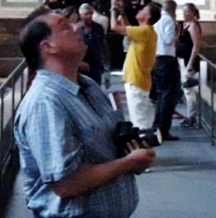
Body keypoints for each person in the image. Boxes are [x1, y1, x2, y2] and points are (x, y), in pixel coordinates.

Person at [15, 12, 154, 218]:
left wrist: (131, 151)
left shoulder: (87, 85)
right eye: (65, 27)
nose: (77, 28)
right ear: (48, 47)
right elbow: (66, 185)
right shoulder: (46, 102)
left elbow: (103, 146)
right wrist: (128, 163)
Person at [110, 0, 160, 130]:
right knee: (139, 118)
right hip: (139, 81)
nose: (139, 11)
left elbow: (114, 27)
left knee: (139, 123)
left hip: (137, 81)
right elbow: (128, 29)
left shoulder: (144, 32)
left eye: (143, 10)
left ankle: (144, 149)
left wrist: (113, 8)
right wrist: (121, 11)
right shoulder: (145, 32)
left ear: (147, 17)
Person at [151, 0, 180, 141]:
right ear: (173, 9)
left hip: (156, 59)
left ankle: (157, 126)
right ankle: (163, 129)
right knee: (168, 96)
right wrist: (177, 33)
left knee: (161, 95)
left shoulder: (157, 19)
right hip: (167, 60)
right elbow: (169, 40)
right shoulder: (168, 20)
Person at [177, 3, 204, 127]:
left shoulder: (193, 25)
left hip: (189, 61)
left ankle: (191, 116)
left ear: (193, 13)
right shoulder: (184, 25)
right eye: (183, 11)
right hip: (182, 59)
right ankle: (190, 115)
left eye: (187, 11)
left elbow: (196, 45)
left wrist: (191, 63)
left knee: (189, 90)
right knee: (186, 90)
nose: (184, 13)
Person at [78, 3, 109, 85]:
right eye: (86, 14)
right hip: (83, 66)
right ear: (81, 15)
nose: (89, 16)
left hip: (96, 64)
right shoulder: (77, 29)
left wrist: (107, 66)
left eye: (91, 13)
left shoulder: (98, 28)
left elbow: (104, 46)